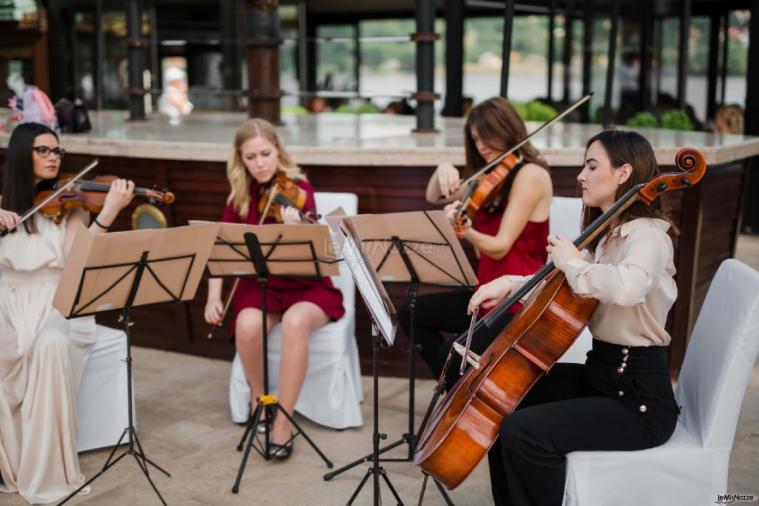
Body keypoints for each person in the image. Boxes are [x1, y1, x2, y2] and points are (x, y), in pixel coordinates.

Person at [468, 130, 679, 505]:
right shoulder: (607, 235)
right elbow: (562, 284)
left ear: (623, 173)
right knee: (503, 401)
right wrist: (509, 282)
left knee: (525, 431)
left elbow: (627, 288)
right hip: (600, 376)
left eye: (591, 166)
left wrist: (571, 262)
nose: (581, 175)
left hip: (637, 402)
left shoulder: (648, 237)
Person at [0, 122, 135, 504]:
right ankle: (8, 462)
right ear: (22, 155)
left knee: (49, 345)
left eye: (56, 151)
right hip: (8, 301)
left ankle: (47, 471)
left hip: (61, 305)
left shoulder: (72, 208)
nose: (53, 158)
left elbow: (81, 267)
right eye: (43, 150)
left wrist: (107, 214)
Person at [204, 118, 344, 458]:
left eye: (266, 154)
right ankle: (259, 398)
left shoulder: (299, 189)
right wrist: (213, 296)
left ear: (278, 151)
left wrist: (298, 229)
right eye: (251, 157)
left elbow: (318, 249)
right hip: (262, 286)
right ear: (240, 159)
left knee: (295, 323)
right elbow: (220, 247)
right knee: (247, 324)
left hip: (306, 286)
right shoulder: (239, 197)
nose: (260, 163)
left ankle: (283, 418)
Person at [399, 96, 553, 382]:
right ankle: (454, 389)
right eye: (476, 138)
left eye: (488, 135)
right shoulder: (489, 177)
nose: (482, 145)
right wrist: (443, 166)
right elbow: (434, 195)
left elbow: (500, 247)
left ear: (507, 129)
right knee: (412, 312)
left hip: (515, 300)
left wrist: (464, 231)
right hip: (484, 293)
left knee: (450, 352)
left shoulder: (531, 175)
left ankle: (455, 389)